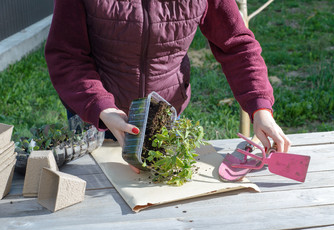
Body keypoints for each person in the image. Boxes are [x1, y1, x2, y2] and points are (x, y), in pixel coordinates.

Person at [45, 0, 291, 162]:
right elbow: (67, 55)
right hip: (95, 113)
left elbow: (237, 45)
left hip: (163, 112)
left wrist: (260, 109)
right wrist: (103, 110)